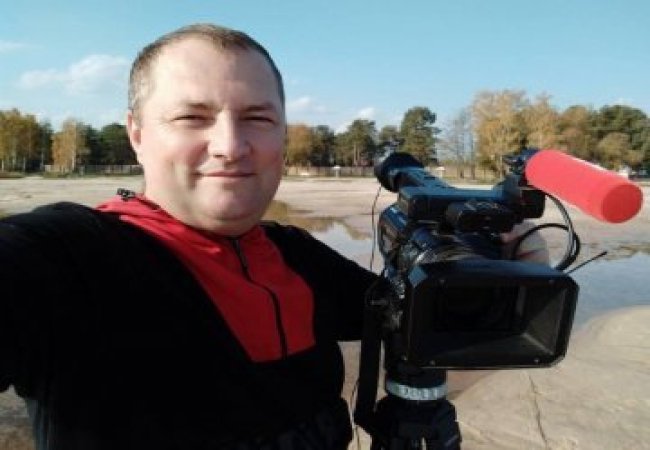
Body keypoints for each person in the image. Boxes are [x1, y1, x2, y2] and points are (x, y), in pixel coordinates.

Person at [0, 23, 547, 450]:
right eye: (192, 117)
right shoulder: (72, 256)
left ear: (282, 134)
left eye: (257, 118)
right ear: (137, 135)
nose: (230, 145)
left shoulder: (296, 256)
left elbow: (418, 322)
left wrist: (497, 269)